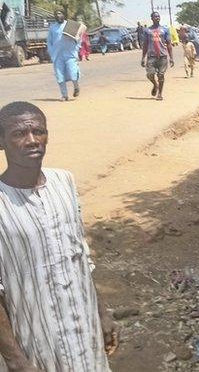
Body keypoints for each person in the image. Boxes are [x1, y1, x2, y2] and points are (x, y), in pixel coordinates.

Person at [0, 102, 117, 370]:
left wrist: (102, 314)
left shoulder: (64, 182)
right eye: (19, 134)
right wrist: (15, 359)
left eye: (38, 131)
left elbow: (80, 257)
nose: (32, 141)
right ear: (1, 141)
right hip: (36, 346)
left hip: (84, 333)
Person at [46, 10, 81, 101]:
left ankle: (76, 87)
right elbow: (49, 42)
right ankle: (64, 95)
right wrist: (51, 53)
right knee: (59, 76)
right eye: (56, 14)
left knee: (73, 72)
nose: (58, 15)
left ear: (63, 14)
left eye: (60, 13)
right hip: (57, 55)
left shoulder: (70, 25)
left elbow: (78, 38)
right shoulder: (52, 28)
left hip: (70, 53)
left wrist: (76, 49)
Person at [141, 11, 174, 101]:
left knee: (161, 75)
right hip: (151, 56)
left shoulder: (165, 30)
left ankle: (160, 94)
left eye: (158, 16)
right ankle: (155, 84)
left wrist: (171, 58)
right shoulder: (147, 30)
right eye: (155, 17)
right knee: (150, 74)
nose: (157, 18)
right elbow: (145, 45)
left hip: (162, 56)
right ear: (152, 18)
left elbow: (169, 44)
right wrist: (143, 58)